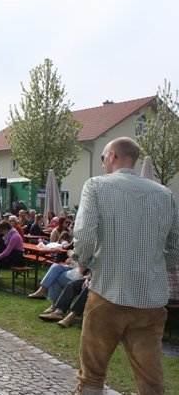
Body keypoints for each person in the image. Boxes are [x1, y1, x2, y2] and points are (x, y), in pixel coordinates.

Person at [73, 137, 179, 394]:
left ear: (112, 156)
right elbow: (175, 248)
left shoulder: (96, 186)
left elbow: (84, 235)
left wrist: (83, 265)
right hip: (150, 300)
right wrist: (152, 265)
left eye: (102, 159)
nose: (102, 165)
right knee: (151, 381)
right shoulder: (165, 194)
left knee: (92, 376)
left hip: (108, 292)